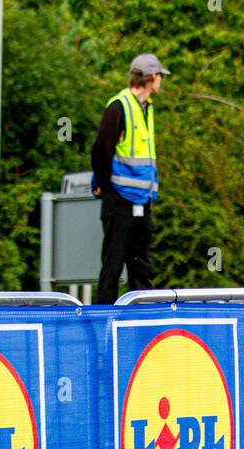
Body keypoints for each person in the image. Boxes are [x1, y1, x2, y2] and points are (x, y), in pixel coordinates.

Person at [91, 53, 169, 305]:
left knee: (142, 268)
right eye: (159, 76)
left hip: (142, 199)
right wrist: (104, 185)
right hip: (120, 200)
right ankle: (102, 325)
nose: (160, 81)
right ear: (150, 78)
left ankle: (142, 327)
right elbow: (100, 150)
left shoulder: (147, 108)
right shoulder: (119, 106)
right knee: (113, 267)